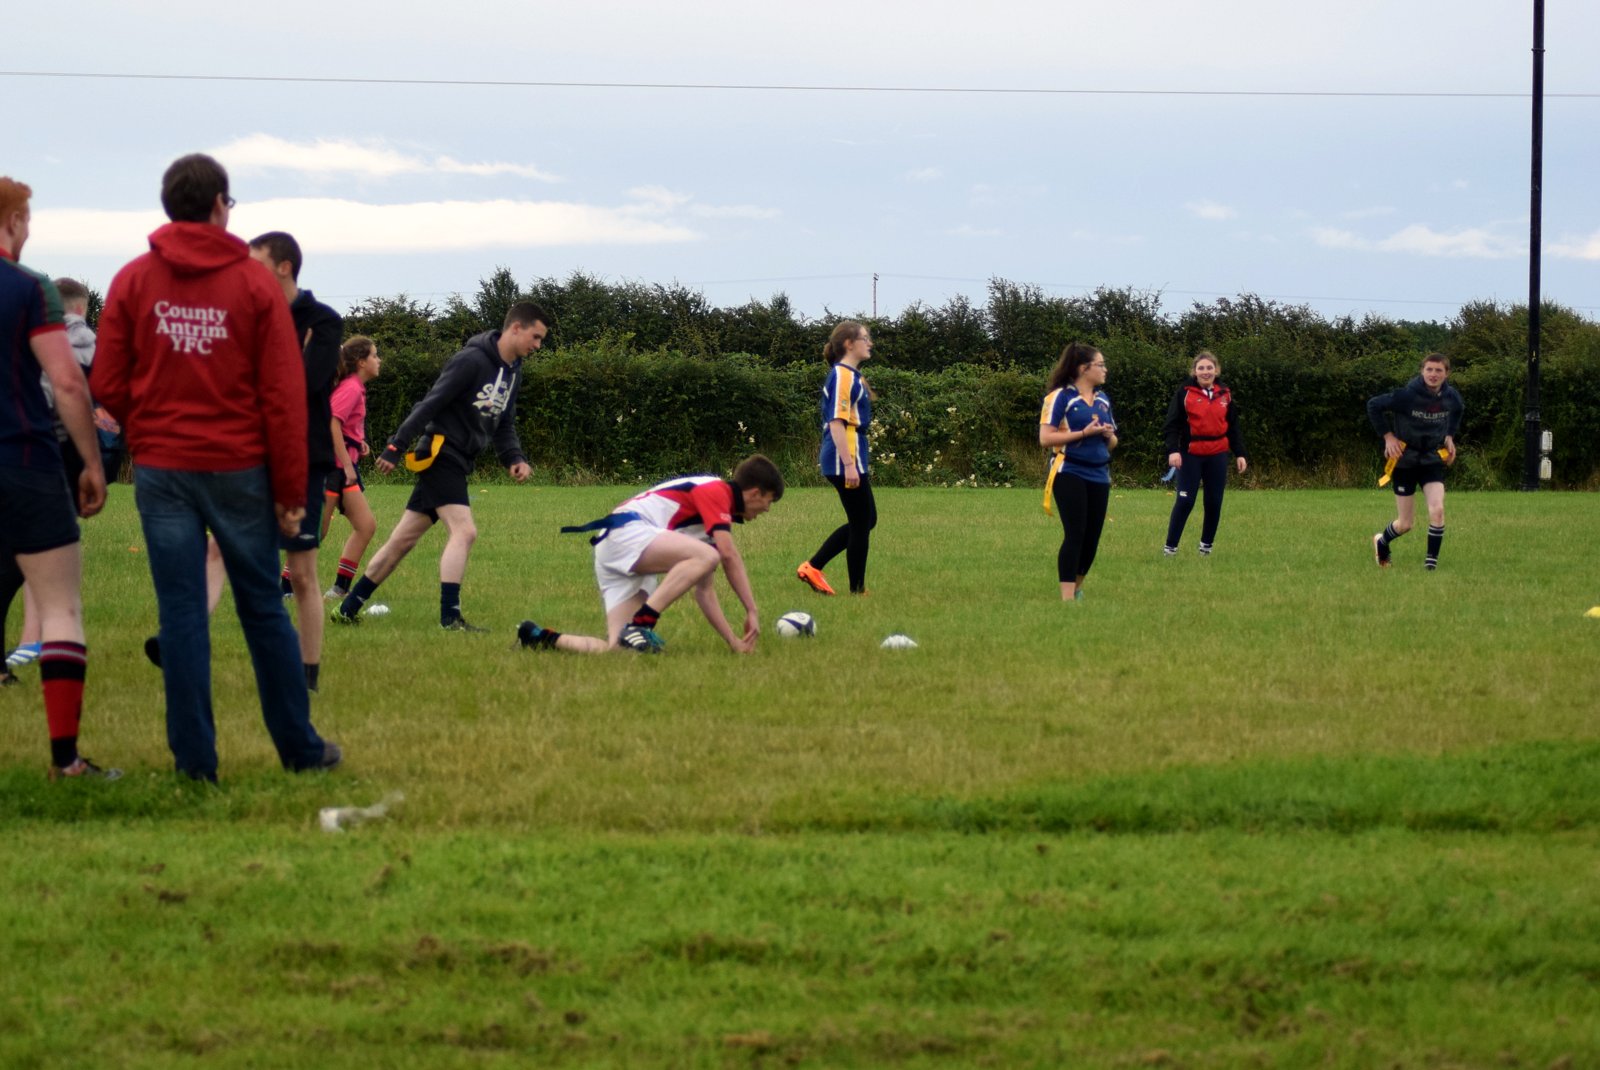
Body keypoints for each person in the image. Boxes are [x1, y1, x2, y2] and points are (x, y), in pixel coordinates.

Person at [92, 152, 341, 781]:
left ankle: (195, 764)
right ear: (219, 206)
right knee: (262, 606)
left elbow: (108, 381)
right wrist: (291, 490)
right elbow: (284, 397)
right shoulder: (254, 286)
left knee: (181, 612)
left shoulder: (133, 279)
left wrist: (148, 429)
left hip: (163, 471)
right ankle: (300, 750)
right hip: (240, 469)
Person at [333, 302, 548, 631]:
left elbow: (504, 421)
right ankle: (450, 618)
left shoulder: (513, 371)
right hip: (441, 455)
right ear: (516, 328)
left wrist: (513, 458)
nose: (538, 345)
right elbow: (431, 403)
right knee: (465, 531)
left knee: (401, 541)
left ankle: (347, 609)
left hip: (460, 460)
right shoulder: (471, 360)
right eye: (536, 336)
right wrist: (396, 445)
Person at [0, 175, 114, 778]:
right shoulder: (31, 288)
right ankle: (65, 759)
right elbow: (68, 382)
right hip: (23, 459)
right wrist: (92, 463)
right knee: (61, 606)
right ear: (15, 221)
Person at [517, 455, 784, 654]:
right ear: (755, 493)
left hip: (619, 547)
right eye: (769, 501)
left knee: (619, 650)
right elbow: (727, 555)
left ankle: (539, 637)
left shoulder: (712, 530)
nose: (767, 510)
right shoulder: (716, 490)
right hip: (626, 533)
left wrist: (734, 642)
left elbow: (705, 592)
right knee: (707, 556)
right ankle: (642, 624)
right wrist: (752, 609)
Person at [248, 231, 342, 692]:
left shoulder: (323, 320)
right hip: (251, 453)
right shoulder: (250, 318)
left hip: (304, 457)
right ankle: (179, 641)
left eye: (256, 263)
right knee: (223, 550)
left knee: (302, 573)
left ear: (283, 267)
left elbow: (306, 385)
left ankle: (308, 673)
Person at [796, 320, 876, 597]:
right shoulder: (842, 375)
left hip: (851, 453)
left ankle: (814, 567)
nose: (870, 343)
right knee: (862, 522)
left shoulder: (850, 375)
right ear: (849, 344)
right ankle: (856, 590)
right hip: (845, 456)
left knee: (865, 520)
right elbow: (836, 422)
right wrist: (849, 464)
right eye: (865, 338)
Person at [1367, 353, 1463, 570]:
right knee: (1405, 524)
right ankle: (1382, 541)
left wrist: (1449, 436)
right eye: (1429, 369)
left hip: (1431, 459)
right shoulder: (1407, 395)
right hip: (1404, 461)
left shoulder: (1451, 396)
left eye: (1438, 370)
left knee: (1437, 510)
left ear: (1447, 374)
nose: (1433, 374)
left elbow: (1458, 410)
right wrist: (1388, 437)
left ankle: (1430, 567)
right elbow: (1373, 405)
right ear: (1422, 371)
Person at [1039, 342, 1118, 601]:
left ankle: (1077, 588)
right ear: (1084, 368)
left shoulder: (1103, 400)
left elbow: (1113, 443)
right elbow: (1045, 438)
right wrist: (1083, 433)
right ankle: (1067, 598)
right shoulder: (1060, 397)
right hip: (1068, 470)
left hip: (1099, 473)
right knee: (1076, 533)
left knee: (1092, 537)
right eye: (1100, 364)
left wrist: (1107, 435)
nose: (1105, 369)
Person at [1161, 350, 1248, 557]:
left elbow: (1233, 426)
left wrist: (1240, 453)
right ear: (1195, 371)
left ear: (1216, 370)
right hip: (1190, 454)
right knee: (1185, 501)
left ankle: (1206, 548)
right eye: (1201, 368)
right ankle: (1170, 548)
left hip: (1217, 454)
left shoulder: (1225, 393)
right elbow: (1171, 424)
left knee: (1214, 502)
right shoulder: (1184, 392)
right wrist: (1173, 450)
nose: (1206, 372)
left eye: (1210, 368)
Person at [321, 335, 381, 601]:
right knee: (317, 532)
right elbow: (332, 423)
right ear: (361, 362)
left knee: (366, 526)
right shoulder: (351, 388)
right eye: (374, 355)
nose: (379, 360)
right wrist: (347, 465)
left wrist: (358, 442)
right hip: (334, 470)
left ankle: (340, 588)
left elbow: (343, 426)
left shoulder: (355, 387)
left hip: (345, 469)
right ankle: (286, 588)